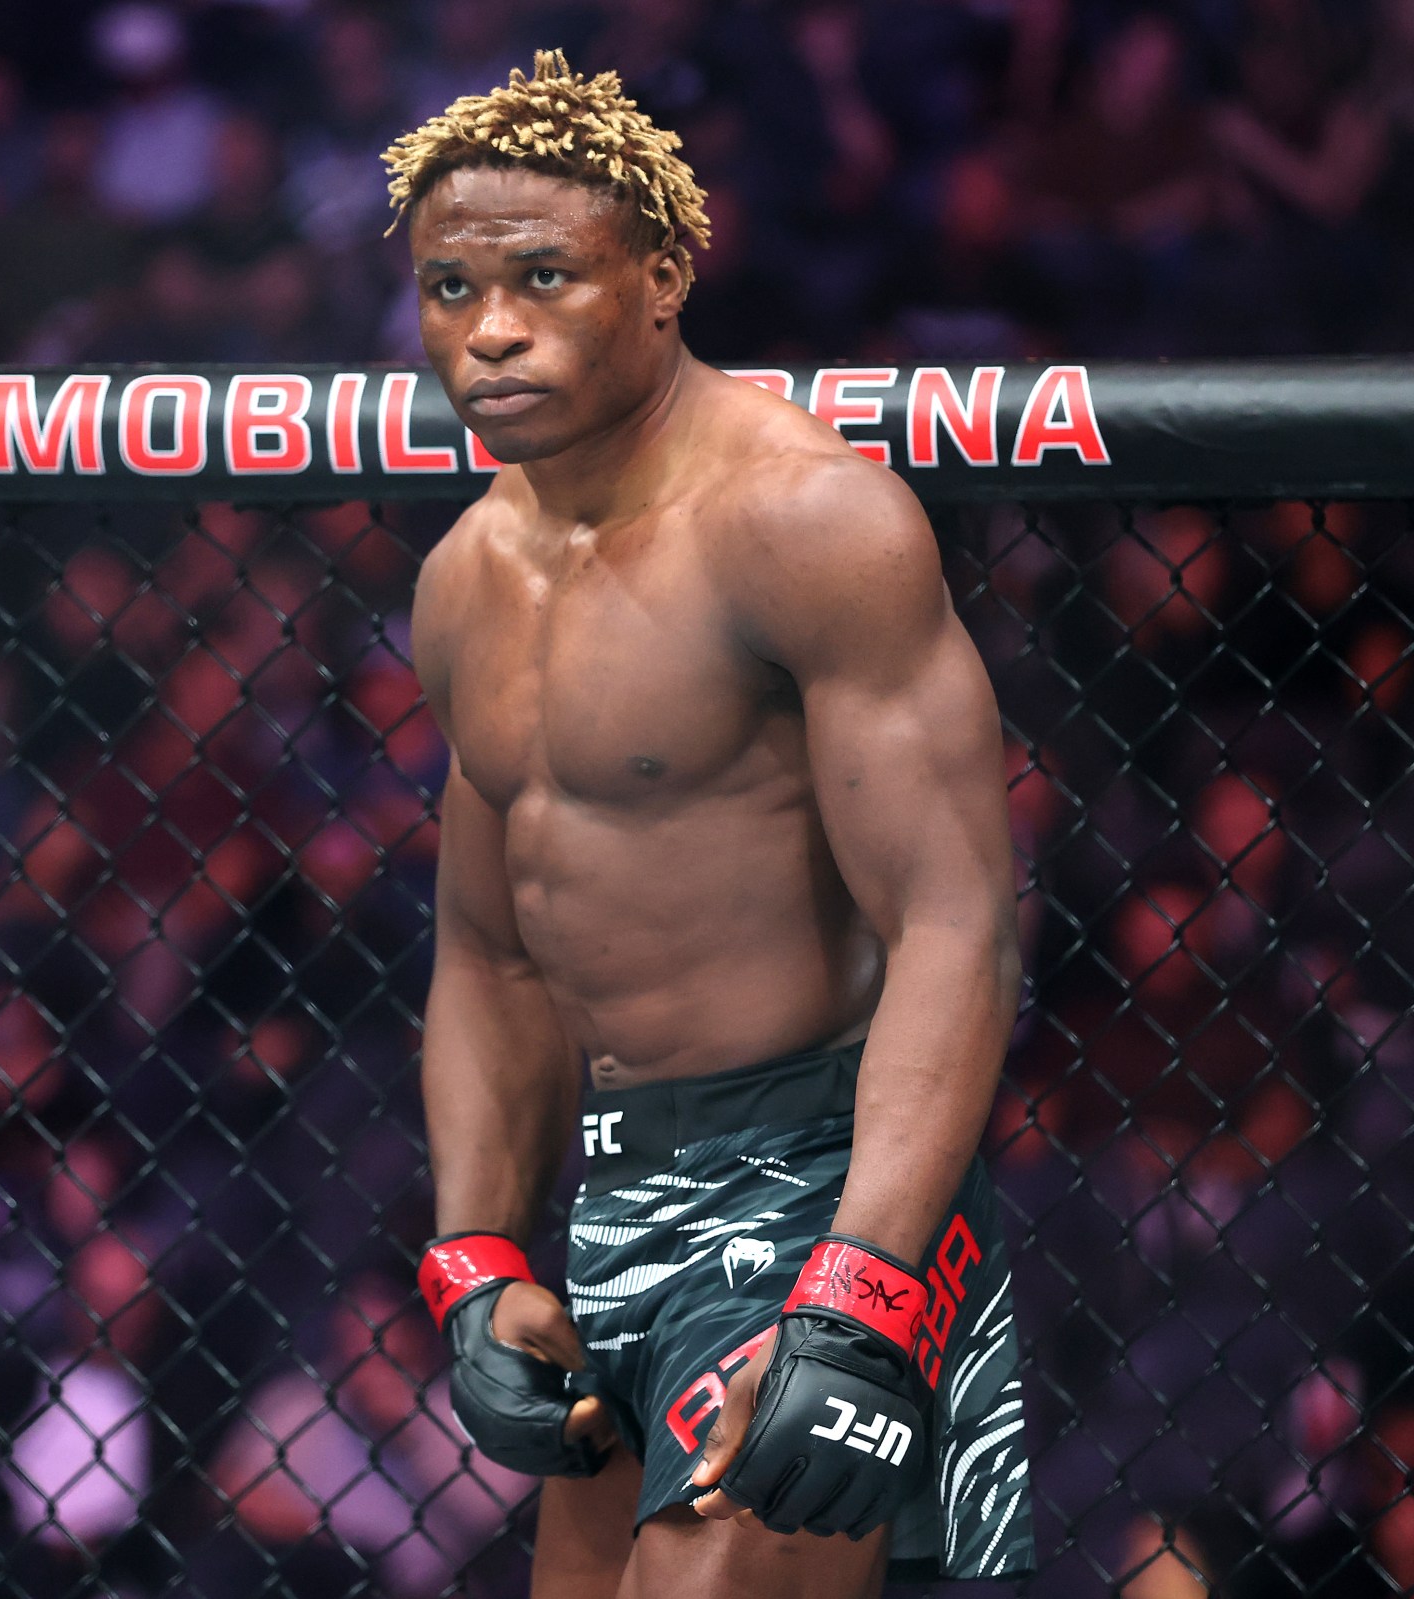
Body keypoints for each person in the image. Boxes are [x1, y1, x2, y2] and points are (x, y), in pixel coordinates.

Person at [384, 51, 1033, 1598]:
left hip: (820, 1172)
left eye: (546, 276)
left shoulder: (802, 520)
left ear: (664, 274)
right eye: (451, 284)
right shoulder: (466, 579)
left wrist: (865, 1287)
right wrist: (474, 1259)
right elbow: (487, 956)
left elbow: (955, 920)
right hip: (619, 1189)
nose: (490, 328)